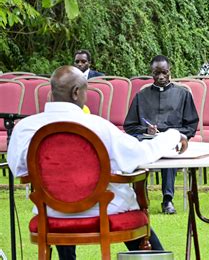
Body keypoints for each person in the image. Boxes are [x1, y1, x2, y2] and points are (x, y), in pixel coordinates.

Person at [7, 66, 188, 259]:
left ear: (52, 93)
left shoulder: (25, 129)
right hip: (103, 210)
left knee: (62, 207)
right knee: (132, 210)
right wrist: (173, 135)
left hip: (51, 212)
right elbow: (140, 154)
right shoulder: (98, 126)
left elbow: (17, 168)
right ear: (77, 92)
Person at [124, 55, 199, 214]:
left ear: (169, 71)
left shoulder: (183, 94)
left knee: (168, 149)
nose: (160, 77)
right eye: (156, 73)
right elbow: (129, 126)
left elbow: (191, 125)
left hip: (172, 143)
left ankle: (167, 200)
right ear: (151, 73)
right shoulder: (141, 96)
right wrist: (146, 130)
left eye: (164, 72)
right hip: (147, 141)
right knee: (136, 151)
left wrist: (175, 135)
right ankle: (140, 198)